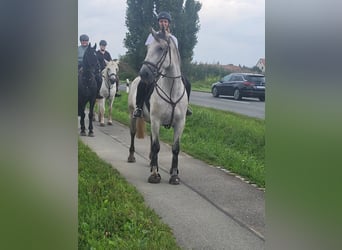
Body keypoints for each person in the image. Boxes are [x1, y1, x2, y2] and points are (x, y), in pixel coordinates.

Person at [133, 11, 192, 118]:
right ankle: (139, 107)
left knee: (187, 82)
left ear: (168, 23)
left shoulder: (173, 39)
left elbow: (175, 56)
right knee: (142, 83)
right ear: (158, 23)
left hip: (169, 68)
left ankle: (185, 106)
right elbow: (149, 52)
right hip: (155, 67)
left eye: (165, 21)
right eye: (161, 21)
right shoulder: (152, 37)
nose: (163, 23)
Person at [78, 34, 102, 98]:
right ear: (80, 41)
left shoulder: (91, 49)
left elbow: (95, 59)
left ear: (88, 41)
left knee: (99, 78)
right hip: (79, 65)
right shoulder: (78, 49)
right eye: (83, 40)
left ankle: (97, 92)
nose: (84, 42)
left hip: (90, 67)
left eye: (86, 41)